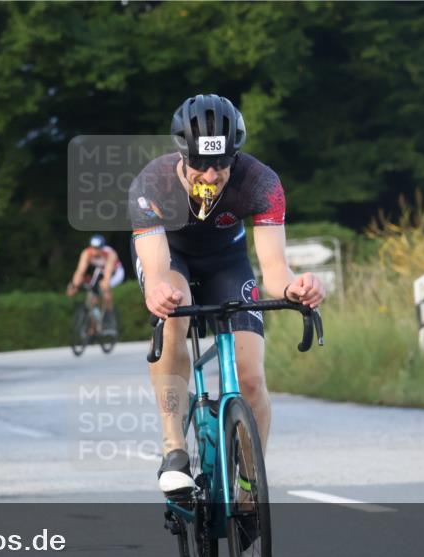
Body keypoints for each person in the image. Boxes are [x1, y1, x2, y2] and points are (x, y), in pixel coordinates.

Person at [129, 94, 326, 528]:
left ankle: (250, 491)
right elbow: (159, 272)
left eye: (223, 163)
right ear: (182, 154)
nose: (212, 175)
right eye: (200, 163)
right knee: (174, 316)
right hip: (171, 260)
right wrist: (158, 294)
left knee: (251, 376)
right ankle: (174, 449)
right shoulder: (152, 183)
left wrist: (298, 287)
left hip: (227, 263)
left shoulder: (260, 182)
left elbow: (275, 269)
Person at [66, 235, 125, 332]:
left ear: (102, 248)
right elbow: (80, 271)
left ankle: (109, 316)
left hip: (115, 272)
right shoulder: (86, 253)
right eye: (93, 248)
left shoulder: (110, 254)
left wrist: (105, 284)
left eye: (97, 249)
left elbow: (108, 273)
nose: (95, 251)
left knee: (104, 287)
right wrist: (74, 285)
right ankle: (93, 327)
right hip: (100, 271)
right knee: (92, 299)